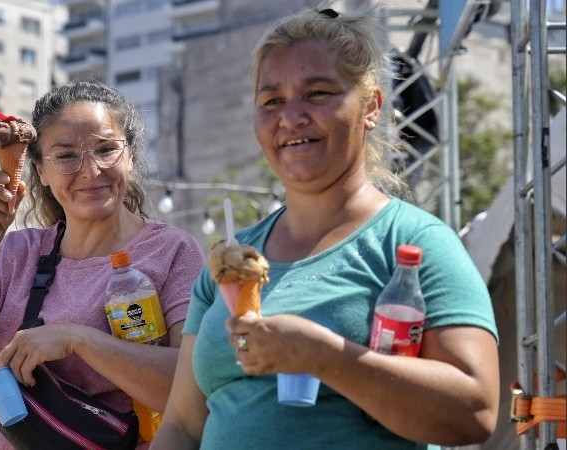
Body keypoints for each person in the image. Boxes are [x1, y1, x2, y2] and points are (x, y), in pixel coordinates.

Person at [151, 3, 499, 450]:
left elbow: (475, 413)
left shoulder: (415, 243)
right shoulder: (232, 261)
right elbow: (182, 426)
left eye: (317, 93)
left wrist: (325, 357)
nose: (291, 116)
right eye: (271, 101)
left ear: (371, 106)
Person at [0, 81, 206, 450]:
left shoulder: (171, 251)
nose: (90, 171)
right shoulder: (17, 253)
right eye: (66, 156)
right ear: (40, 172)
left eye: (106, 149)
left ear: (131, 156)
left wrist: (78, 340)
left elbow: (192, 389)